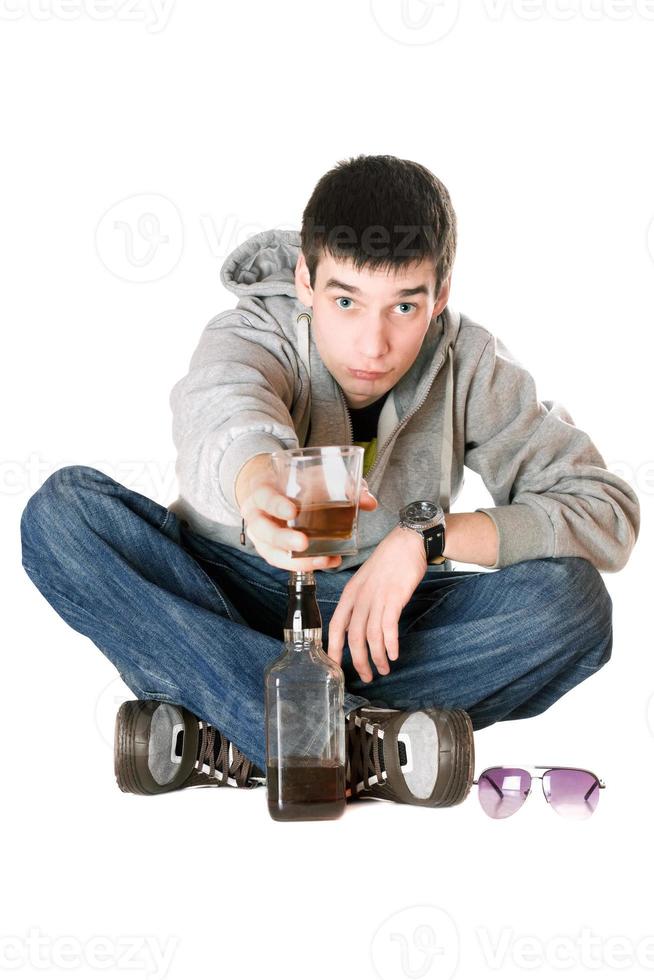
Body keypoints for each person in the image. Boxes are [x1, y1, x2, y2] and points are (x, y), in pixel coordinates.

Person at [20, 154, 640, 810]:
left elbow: (606, 512)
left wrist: (426, 540)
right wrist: (258, 485)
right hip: (231, 589)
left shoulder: (472, 364)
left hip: (377, 622)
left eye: (405, 306)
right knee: (62, 514)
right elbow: (227, 407)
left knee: (574, 605)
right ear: (306, 280)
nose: (373, 344)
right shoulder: (256, 330)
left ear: (442, 294)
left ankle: (235, 723)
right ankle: (350, 739)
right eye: (345, 301)